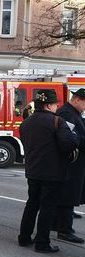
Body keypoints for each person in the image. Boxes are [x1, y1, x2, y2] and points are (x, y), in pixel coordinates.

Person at [18, 90, 78, 253]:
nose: (56, 106)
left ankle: (24, 237)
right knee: (47, 207)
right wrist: (74, 137)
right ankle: (42, 242)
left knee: (32, 204)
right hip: (52, 172)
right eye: (55, 104)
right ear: (49, 105)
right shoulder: (57, 121)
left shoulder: (25, 123)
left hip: (33, 170)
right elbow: (68, 144)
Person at [53, 88, 85, 243]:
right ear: (77, 99)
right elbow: (71, 138)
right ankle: (65, 230)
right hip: (71, 162)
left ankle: (57, 223)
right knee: (68, 195)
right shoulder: (67, 113)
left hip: (73, 162)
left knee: (69, 194)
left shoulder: (73, 113)